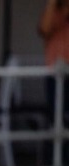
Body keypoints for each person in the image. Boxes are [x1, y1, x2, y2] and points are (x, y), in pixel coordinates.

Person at [39, 0, 69, 142]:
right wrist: (52, 3)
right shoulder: (53, 13)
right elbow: (44, 29)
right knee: (55, 120)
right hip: (56, 74)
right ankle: (53, 161)